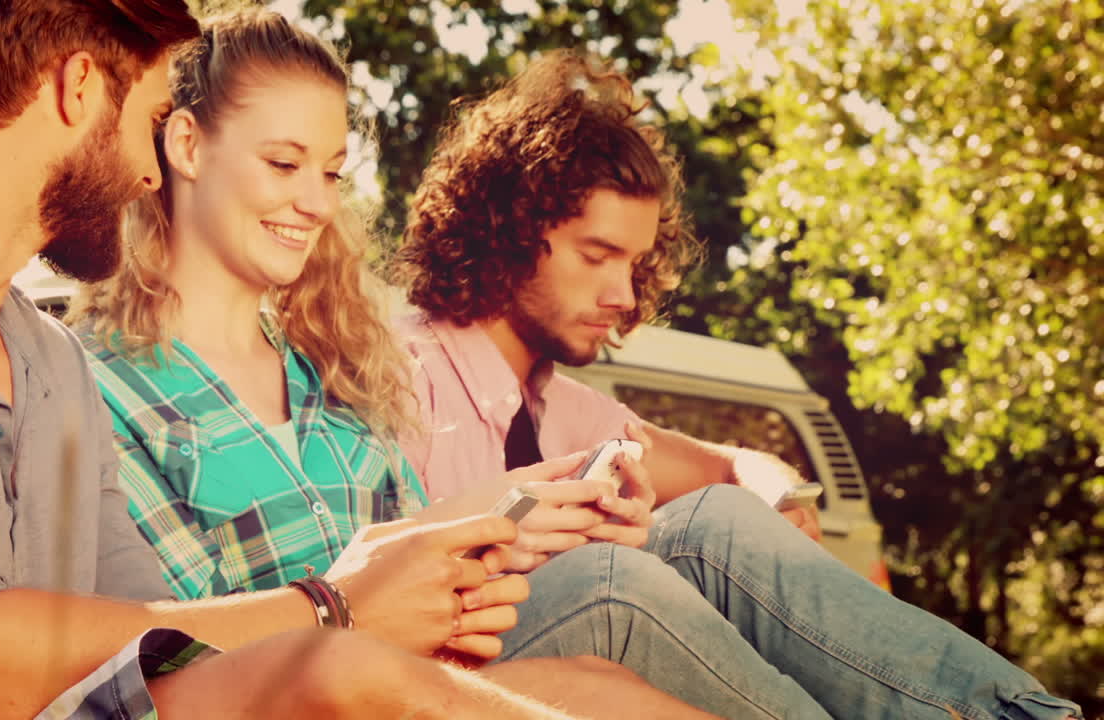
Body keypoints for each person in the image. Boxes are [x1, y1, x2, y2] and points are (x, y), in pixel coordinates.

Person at [0, 3, 685, 719]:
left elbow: (158, 637)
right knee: (340, 673)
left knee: (594, 687)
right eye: (151, 118)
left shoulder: (44, 357)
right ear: (79, 87)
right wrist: (335, 610)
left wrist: (397, 599)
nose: (146, 172)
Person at [391, 49, 1085, 720]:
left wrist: (780, 494)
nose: (623, 295)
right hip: (428, 681)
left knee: (715, 517)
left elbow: (730, 466)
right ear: (506, 229)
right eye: (597, 255)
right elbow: (349, 593)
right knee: (612, 577)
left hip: (566, 671)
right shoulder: (393, 373)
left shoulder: (566, 411)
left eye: (634, 264)